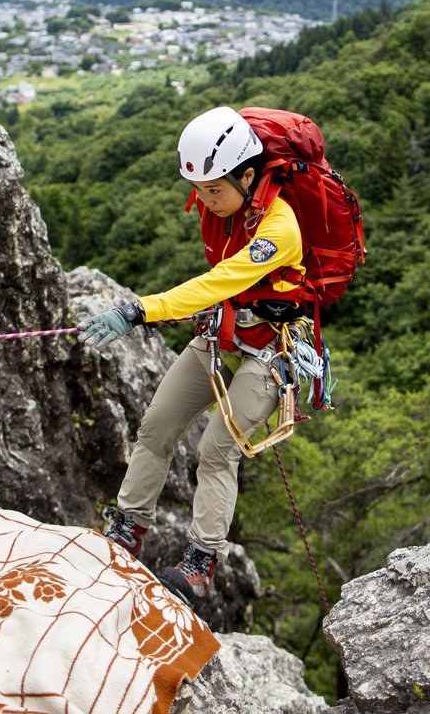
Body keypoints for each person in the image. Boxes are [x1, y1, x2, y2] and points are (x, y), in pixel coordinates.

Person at [79, 105, 309, 606]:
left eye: (215, 190)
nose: (205, 201)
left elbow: (217, 283)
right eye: (200, 191)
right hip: (223, 335)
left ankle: (201, 561)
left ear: (248, 176)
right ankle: (127, 527)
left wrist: (141, 310)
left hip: (273, 351)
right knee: (157, 426)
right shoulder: (224, 207)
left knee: (216, 450)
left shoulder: (280, 229)